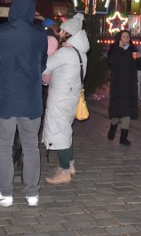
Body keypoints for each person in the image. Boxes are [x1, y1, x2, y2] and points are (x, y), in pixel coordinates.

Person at [0, 0, 47, 207]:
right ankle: (32, 194)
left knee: (4, 147)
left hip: (5, 97)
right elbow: (42, 64)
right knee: (31, 147)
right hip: (31, 99)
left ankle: (5, 194)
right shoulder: (39, 35)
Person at [41, 13, 88, 185]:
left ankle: (64, 170)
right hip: (71, 95)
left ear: (69, 33)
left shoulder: (66, 53)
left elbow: (45, 66)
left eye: (62, 31)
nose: (59, 34)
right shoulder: (81, 53)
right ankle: (70, 163)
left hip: (61, 96)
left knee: (59, 131)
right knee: (65, 129)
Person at [106, 29, 141, 145]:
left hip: (129, 84)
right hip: (117, 84)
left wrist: (139, 58)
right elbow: (111, 61)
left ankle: (123, 138)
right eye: (123, 37)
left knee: (127, 111)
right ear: (119, 38)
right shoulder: (114, 49)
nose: (126, 39)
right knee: (117, 110)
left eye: (127, 37)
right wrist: (119, 49)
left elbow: (140, 66)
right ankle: (113, 126)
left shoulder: (133, 50)